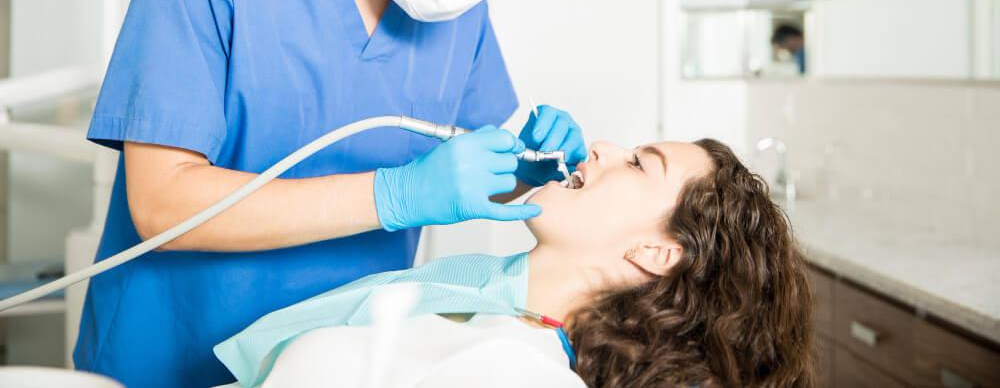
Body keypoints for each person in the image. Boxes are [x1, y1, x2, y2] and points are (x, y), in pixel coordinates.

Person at [75, 0, 588, 387]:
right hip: (169, 356)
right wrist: (394, 195)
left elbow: (456, 180)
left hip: (332, 367)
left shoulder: (456, 11)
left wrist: (523, 172)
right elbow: (161, 204)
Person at [215, 137, 816, 388]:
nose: (602, 147)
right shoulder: (491, 296)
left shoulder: (520, 372)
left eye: (637, 163)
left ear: (656, 253)